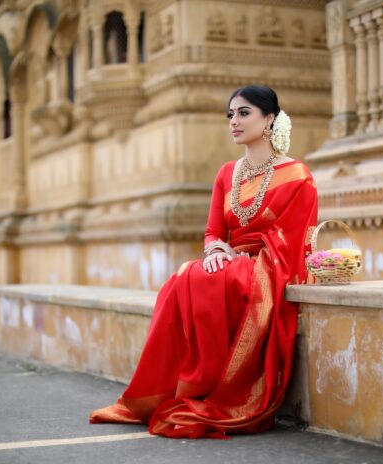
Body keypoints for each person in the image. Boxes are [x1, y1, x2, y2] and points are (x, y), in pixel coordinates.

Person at [89, 84, 318, 439]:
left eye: (244, 113)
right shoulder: (227, 173)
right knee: (185, 276)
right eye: (230, 115)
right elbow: (213, 232)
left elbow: (294, 238)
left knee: (217, 278)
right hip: (231, 261)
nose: (234, 122)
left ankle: (215, 390)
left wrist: (239, 255)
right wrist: (215, 251)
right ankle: (177, 389)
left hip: (271, 265)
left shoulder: (297, 175)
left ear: (269, 119)